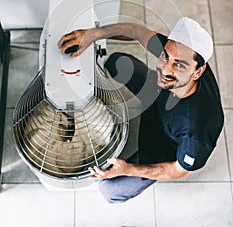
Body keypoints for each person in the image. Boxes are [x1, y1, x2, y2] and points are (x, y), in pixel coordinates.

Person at [58, 17, 224, 203]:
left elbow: (179, 170)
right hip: (158, 94)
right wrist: (92, 35)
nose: (165, 69)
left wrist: (127, 169)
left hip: (162, 147)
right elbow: (136, 31)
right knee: (117, 62)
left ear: (198, 72)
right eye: (165, 57)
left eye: (179, 65)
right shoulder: (179, 50)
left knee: (109, 190)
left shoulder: (197, 131)